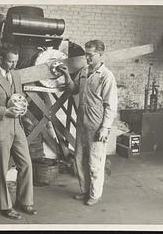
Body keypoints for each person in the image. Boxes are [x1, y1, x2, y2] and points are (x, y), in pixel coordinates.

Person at [0, 43, 37, 219]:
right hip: (0, 127)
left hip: (17, 126)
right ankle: (5, 206)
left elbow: (20, 97)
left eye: (16, 61)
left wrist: (23, 110)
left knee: (26, 163)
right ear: (1, 59)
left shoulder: (15, 75)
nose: (14, 65)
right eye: (10, 61)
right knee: (2, 168)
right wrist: (5, 111)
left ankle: (24, 201)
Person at [58, 39, 118, 206]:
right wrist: (66, 75)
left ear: (100, 55)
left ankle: (94, 194)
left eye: (90, 55)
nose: (87, 58)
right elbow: (73, 89)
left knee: (95, 162)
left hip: (97, 126)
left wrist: (105, 128)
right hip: (82, 124)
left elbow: (110, 106)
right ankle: (84, 190)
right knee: (79, 159)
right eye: (86, 54)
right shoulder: (84, 71)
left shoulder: (106, 76)